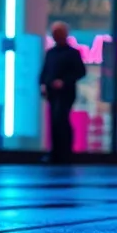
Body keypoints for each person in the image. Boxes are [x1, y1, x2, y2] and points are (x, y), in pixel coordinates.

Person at [39, 21, 86, 163]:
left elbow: (80, 72)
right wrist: (43, 84)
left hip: (66, 92)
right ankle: (56, 152)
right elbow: (45, 71)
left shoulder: (72, 53)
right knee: (54, 121)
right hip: (53, 93)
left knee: (61, 120)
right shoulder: (51, 53)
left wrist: (64, 82)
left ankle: (65, 152)